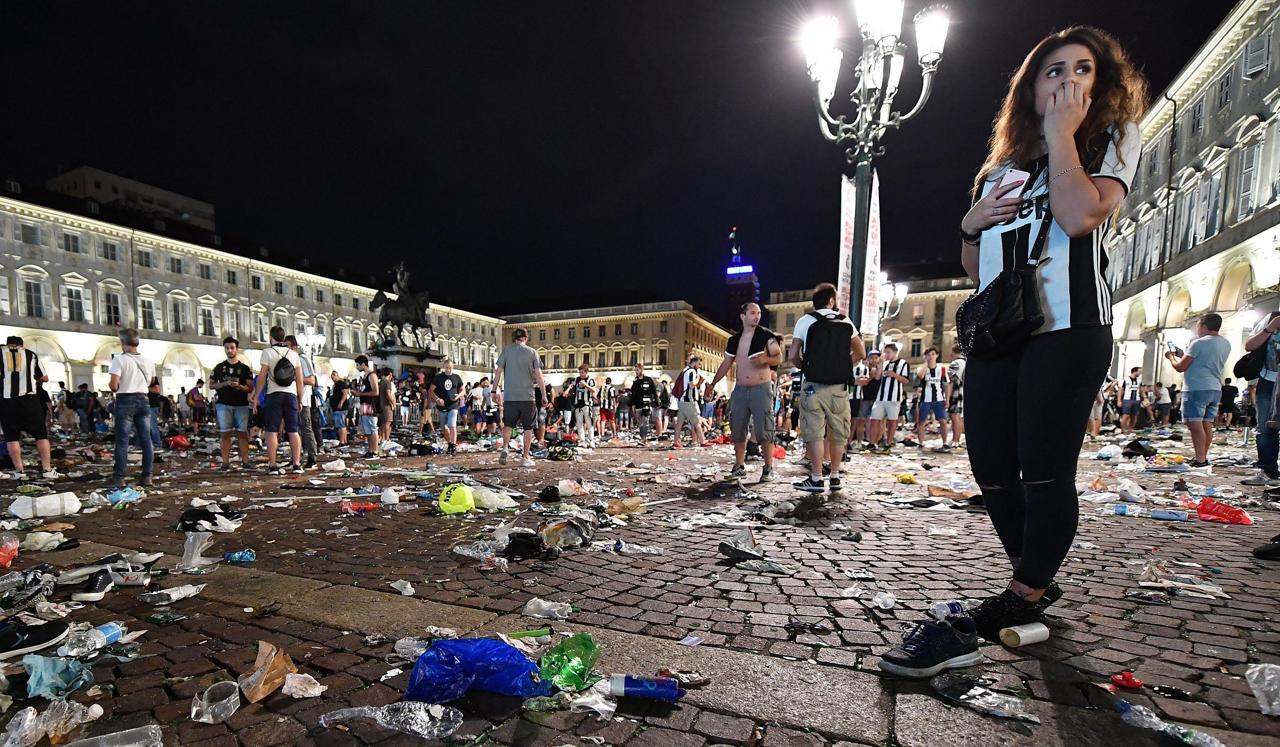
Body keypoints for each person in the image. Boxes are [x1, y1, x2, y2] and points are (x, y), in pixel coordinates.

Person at [955, 26, 1146, 642]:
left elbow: (1078, 214)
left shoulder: (1110, 141)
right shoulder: (1002, 169)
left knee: (1042, 467)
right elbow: (976, 266)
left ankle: (1027, 589)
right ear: (1031, 87)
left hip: (1069, 326)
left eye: (1082, 70)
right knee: (989, 463)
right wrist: (970, 223)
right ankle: (1033, 569)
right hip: (1000, 331)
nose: (1067, 81)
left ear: (1101, 84)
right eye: (1053, 71)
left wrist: (1064, 137)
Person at [786, 284, 864, 493]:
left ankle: (817, 477)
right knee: (838, 432)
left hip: (813, 385)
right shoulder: (845, 321)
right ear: (831, 301)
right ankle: (836, 476)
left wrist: (808, 367)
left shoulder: (805, 321)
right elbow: (860, 352)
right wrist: (842, 365)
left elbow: (793, 355)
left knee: (814, 432)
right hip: (839, 386)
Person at [707, 302, 784, 481]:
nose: (756, 316)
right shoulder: (734, 340)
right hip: (741, 388)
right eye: (752, 313)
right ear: (743, 316)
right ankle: (739, 465)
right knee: (738, 426)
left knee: (765, 428)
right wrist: (712, 384)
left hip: (761, 388)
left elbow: (778, 356)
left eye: (758, 313)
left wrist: (765, 358)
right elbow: (726, 364)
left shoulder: (766, 335)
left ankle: (768, 467)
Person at [1166, 314, 1232, 468]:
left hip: (1196, 388)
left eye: (1197, 325)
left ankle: (1200, 460)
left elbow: (1180, 367)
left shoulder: (1198, 343)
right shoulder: (1225, 343)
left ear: (1203, 326)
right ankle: (1202, 456)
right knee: (1206, 424)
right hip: (1215, 388)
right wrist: (1183, 355)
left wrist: (1171, 357)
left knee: (1195, 426)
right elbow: (1203, 361)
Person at [1, 336, 56, 480]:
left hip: (7, 400)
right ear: (21, 345)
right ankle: (47, 469)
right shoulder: (30, 354)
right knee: (41, 435)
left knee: (11, 436)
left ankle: (19, 472)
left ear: (8, 344)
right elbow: (44, 377)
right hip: (29, 399)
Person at [107, 328, 157, 488]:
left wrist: (120, 385)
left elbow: (114, 385)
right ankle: (147, 476)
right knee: (146, 439)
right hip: (143, 400)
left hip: (125, 400)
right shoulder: (149, 361)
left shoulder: (119, 360)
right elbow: (152, 384)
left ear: (122, 343)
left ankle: (119, 476)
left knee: (122, 440)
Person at [252, 326, 304, 475]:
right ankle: (296, 464)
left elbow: (262, 377)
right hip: (291, 395)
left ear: (271, 338)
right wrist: (299, 399)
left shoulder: (267, 352)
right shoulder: (294, 354)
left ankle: (273, 465)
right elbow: (299, 380)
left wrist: (256, 397)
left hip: (274, 394)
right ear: (284, 338)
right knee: (294, 430)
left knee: (271, 430)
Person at [493, 327, 547, 466]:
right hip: (527, 396)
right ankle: (525, 457)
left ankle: (505, 447)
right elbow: (539, 375)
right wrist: (544, 394)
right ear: (526, 338)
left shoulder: (506, 350)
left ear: (514, 339)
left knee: (508, 425)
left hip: (510, 396)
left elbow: (498, 371)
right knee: (528, 428)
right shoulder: (532, 352)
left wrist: (494, 391)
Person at [209, 337, 254, 470]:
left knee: (242, 433)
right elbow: (211, 385)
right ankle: (225, 462)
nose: (230, 350)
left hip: (241, 404)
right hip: (223, 404)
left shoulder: (244, 368)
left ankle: (245, 462)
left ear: (236, 349)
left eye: (232, 348)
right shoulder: (219, 367)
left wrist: (239, 386)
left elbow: (250, 388)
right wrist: (225, 383)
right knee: (225, 433)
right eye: (227, 348)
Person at [285, 336, 320, 468]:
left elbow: (311, 381)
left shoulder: (302, 359)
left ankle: (312, 457)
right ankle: (296, 457)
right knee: (293, 429)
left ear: (294, 347)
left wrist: (295, 378)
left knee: (305, 428)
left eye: (287, 346)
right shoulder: (290, 360)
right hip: (292, 397)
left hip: (303, 399)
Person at [868, 344, 911, 452]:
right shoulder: (885, 363)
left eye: (888, 352)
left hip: (894, 397)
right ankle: (872, 443)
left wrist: (894, 375)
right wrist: (880, 364)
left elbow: (906, 380)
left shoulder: (903, 363)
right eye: (885, 352)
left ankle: (888, 442)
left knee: (892, 422)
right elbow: (877, 377)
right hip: (881, 397)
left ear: (895, 352)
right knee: (874, 420)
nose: (886, 354)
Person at [914, 347, 952, 451]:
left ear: (937, 355)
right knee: (921, 421)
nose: (930, 357)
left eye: (933, 354)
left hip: (938, 399)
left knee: (943, 421)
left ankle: (945, 443)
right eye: (928, 355)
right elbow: (920, 375)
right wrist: (926, 363)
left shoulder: (942, 369)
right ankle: (921, 442)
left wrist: (947, 399)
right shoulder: (922, 368)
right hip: (925, 399)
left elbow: (946, 385)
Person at [427, 359, 463, 456]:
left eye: (450, 367)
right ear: (444, 367)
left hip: (453, 405)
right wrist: (438, 399)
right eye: (447, 367)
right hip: (441, 406)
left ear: (453, 367)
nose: (448, 369)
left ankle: (453, 446)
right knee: (444, 427)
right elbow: (431, 391)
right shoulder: (438, 377)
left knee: (452, 425)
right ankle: (450, 443)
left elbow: (463, 390)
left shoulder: (456, 377)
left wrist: (459, 396)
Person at [673, 356, 706, 448]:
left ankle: (676, 441)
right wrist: (698, 379)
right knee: (696, 421)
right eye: (699, 364)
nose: (699, 366)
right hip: (688, 400)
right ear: (694, 362)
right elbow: (691, 385)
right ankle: (703, 441)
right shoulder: (692, 371)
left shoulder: (684, 370)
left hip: (681, 400)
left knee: (680, 422)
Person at [352, 356, 381, 458]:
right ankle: (370, 449)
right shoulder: (365, 376)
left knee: (372, 428)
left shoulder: (372, 375)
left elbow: (376, 392)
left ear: (363, 364)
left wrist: (360, 394)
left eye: (358, 365)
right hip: (364, 404)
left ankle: (375, 451)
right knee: (367, 429)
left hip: (370, 404)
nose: (357, 367)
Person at [570, 364, 598, 447]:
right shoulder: (577, 379)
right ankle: (582, 440)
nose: (581, 374)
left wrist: (585, 385)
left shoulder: (591, 380)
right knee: (579, 423)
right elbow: (573, 387)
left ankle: (591, 440)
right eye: (580, 372)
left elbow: (594, 390)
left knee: (589, 423)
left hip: (587, 404)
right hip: (578, 404)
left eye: (582, 372)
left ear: (586, 372)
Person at [629, 364, 659, 439]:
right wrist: (632, 404)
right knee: (640, 422)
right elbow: (633, 393)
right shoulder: (635, 381)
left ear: (641, 370)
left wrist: (656, 401)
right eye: (635, 370)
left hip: (646, 404)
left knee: (645, 421)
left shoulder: (648, 380)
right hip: (638, 404)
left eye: (637, 370)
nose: (636, 372)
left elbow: (653, 391)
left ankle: (643, 438)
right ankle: (642, 436)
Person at [947, 345, 967, 448]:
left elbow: (950, 381)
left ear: (953, 352)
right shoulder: (967, 362)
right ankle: (957, 439)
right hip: (964, 392)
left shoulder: (955, 363)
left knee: (954, 417)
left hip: (956, 392)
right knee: (960, 417)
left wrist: (947, 397)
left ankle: (955, 440)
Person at [1118, 366, 1142, 433]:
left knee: (1134, 416)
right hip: (1127, 399)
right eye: (1139, 371)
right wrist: (1119, 400)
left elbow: (1141, 390)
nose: (1140, 373)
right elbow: (1120, 390)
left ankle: (1130, 429)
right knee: (1126, 415)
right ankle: (1123, 430)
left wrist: (1145, 398)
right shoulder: (1125, 379)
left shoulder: (1139, 380)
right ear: (1135, 371)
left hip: (1136, 399)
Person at [329, 370, 350, 446]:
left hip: (341, 408)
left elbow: (345, 393)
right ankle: (343, 441)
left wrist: (341, 402)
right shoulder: (336, 385)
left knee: (341, 425)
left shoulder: (341, 383)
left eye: (334, 375)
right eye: (331, 375)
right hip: (336, 407)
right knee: (341, 425)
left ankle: (342, 441)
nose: (332, 377)